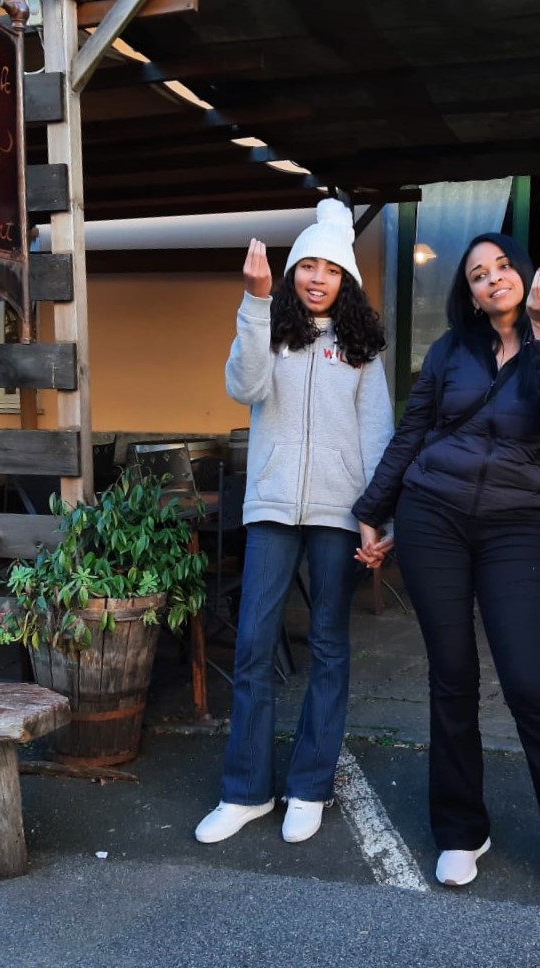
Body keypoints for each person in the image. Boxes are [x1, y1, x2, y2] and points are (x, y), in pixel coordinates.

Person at [352, 232, 540, 913]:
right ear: (468, 293)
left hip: (512, 525)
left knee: (529, 683)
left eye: (502, 266)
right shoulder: (450, 351)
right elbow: (411, 433)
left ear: (524, 276)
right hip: (431, 518)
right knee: (452, 677)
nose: (492, 278)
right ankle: (460, 831)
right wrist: (372, 511)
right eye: (477, 273)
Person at [195, 199, 394, 846]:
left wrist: (375, 515)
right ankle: (245, 791)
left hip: (340, 513)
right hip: (272, 506)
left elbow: (376, 432)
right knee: (253, 643)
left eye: (330, 269)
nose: (317, 278)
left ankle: (309, 786)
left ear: (346, 280)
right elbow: (244, 387)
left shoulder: (361, 348)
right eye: (307, 266)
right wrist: (254, 302)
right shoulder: (269, 329)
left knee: (329, 647)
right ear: (291, 273)